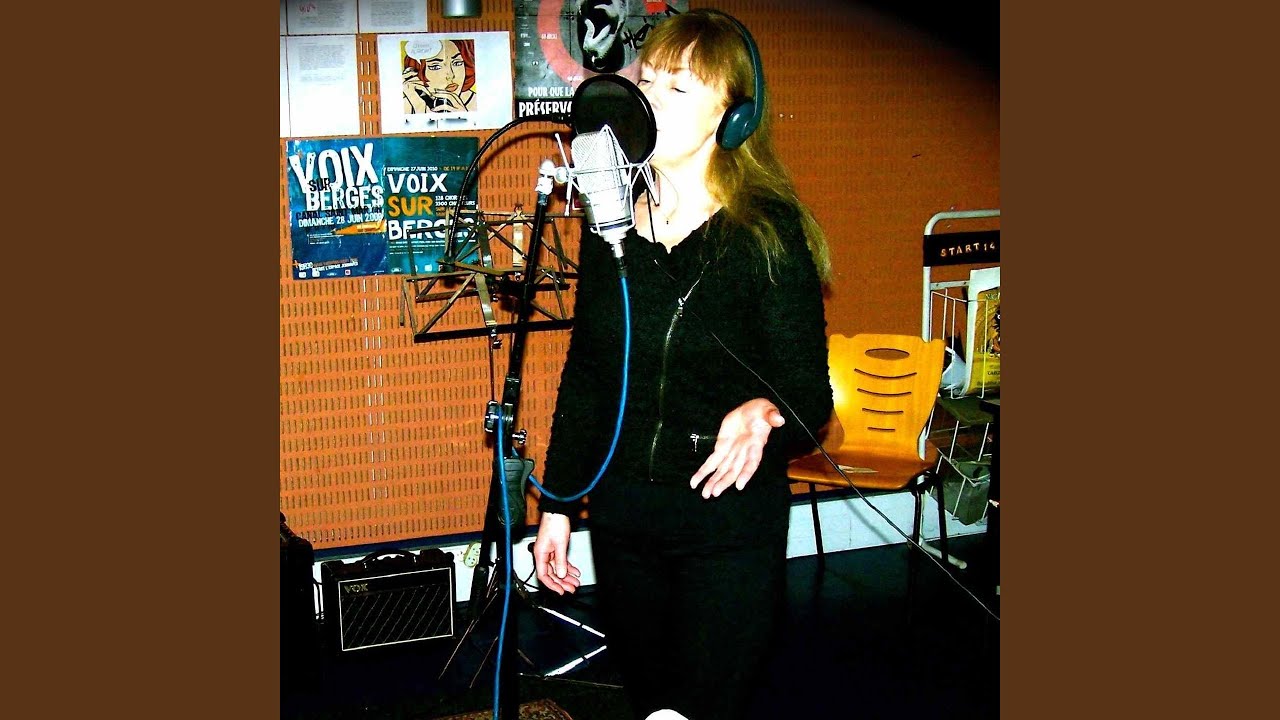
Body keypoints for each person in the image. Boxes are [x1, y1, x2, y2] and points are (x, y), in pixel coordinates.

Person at [533, 9, 834, 720]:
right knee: (651, 706)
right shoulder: (608, 225)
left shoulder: (766, 233)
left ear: (732, 119)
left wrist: (765, 412)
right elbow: (589, 377)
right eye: (650, 82)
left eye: (679, 88)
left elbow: (809, 398)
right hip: (625, 519)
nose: (651, 100)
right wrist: (558, 508)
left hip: (726, 526)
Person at [402, 38, 476, 114]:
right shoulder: (404, 107)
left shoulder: (477, 102)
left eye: (457, 63)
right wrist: (420, 109)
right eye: (435, 67)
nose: (450, 76)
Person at [577, 0, 628, 73]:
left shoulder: (591, 47)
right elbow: (591, 29)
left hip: (605, 22)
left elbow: (610, 36)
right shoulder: (589, 47)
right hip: (605, 22)